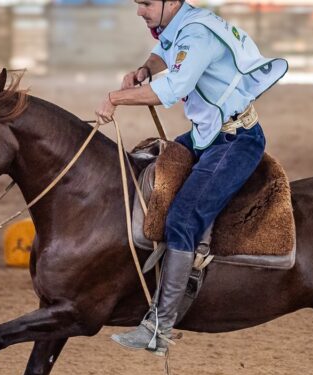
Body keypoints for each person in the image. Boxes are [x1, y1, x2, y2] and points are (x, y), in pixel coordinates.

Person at [95, 0, 288, 356]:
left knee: (183, 217)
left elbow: (168, 91)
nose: (140, 11)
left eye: (147, 3)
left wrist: (115, 98)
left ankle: (159, 327)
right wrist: (144, 68)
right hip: (208, 134)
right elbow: (163, 52)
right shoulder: (183, 22)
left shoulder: (196, 34)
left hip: (233, 141)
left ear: (171, 2)